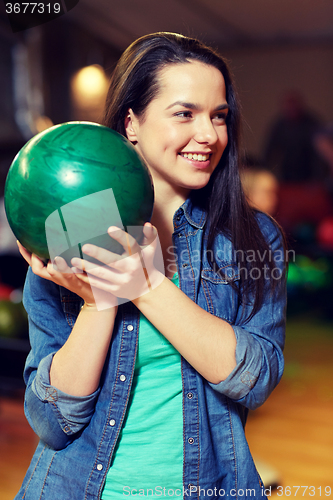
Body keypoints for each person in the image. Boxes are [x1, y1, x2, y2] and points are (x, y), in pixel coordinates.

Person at [15, 33, 286, 500]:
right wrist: (97, 302)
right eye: (185, 113)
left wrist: (146, 285)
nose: (209, 134)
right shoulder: (71, 229)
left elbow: (255, 380)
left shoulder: (253, 237)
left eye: (219, 116)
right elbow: (53, 423)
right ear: (131, 122)